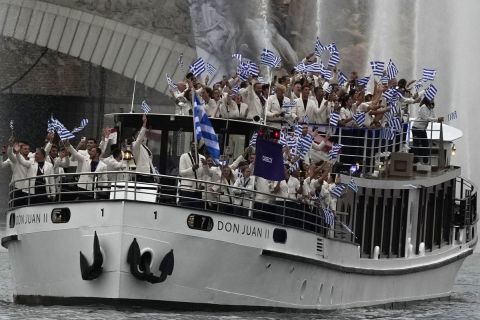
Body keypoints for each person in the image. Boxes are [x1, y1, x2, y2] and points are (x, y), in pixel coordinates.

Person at [411, 98, 443, 164]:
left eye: (433, 100)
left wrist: (438, 120)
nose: (433, 101)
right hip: (416, 128)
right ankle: (415, 160)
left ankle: (425, 160)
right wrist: (437, 119)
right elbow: (426, 118)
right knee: (416, 144)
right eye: (431, 100)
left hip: (422, 129)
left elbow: (433, 117)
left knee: (425, 144)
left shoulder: (431, 109)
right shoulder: (423, 107)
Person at [178, 141, 205, 208]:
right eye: (193, 145)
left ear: (198, 146)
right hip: (186, 189)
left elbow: (204, 174)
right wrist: (192, 169)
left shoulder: (202, 158)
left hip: (198, 190)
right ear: (190, 146)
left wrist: (202, 184)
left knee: (197, 212)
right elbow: (181, 173)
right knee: (185, 210)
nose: (194, 146)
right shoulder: (184, 156)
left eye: (196, 145)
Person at [132, 114, 156, 181]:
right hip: (141, 175)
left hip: (149, 174)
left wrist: (154, 173)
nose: (142, 136)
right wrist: (144, 123)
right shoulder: (135, 145)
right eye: (138, 134)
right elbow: (139, 138)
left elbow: (149, 162)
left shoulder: (145, 147)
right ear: (134, 137)